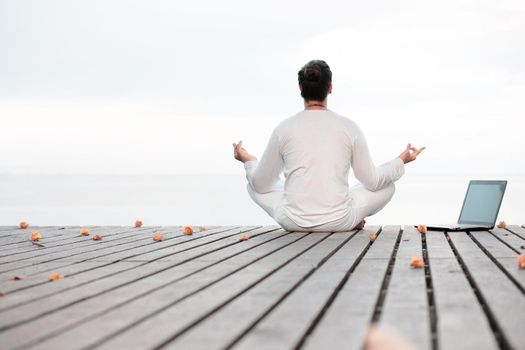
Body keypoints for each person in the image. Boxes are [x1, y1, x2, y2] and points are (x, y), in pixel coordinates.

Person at [232, 60, 425, 232]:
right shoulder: (350, 127)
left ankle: (342, 209)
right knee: (387, 186)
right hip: (339, 220)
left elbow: (261, 184)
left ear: (300, 89)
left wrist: (249, 160)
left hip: (293, 221)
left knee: (253, 184)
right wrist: (402, 161)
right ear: (330, 88)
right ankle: (353, 218)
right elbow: (372, 181)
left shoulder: (283, 129)